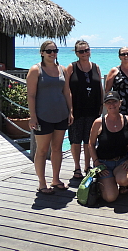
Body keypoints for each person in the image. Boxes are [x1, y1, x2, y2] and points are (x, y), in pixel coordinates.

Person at [26, 40, 73, 195]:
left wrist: (70, 111)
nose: (53, 53)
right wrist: (33, 116)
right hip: (42, 116)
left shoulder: (62, 69)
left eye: (55, 50)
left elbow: (67, 92)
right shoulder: (35, 70)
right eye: (49, 51)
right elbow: (31, 95)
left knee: (57, 148)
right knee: (42, 150)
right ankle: (42, 183)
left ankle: (56, 179)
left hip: (61, 114)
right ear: (42, 53)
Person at [66, 40, 103, 180]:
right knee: (75, 140)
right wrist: (69, 110)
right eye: (81, 51)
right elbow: (67, 90)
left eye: (86, 50)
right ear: (76, 53)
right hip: (76, 109)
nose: (84, 53)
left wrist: (101, 105)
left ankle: (88, 166)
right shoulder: (72, 67)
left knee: (89, 140)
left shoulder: (96, 67)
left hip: (93, 109)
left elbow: (99, 87)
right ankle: (77, 167)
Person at [89, 91, 128, 202]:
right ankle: (105, 183)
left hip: (121, 161)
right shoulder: (98, 122)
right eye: (108, 102)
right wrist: (96, 163)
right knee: (110, 198)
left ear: (120, 103)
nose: (111, 105)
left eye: (114, 102)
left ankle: (122, 184)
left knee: (124, 179)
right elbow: (91, 144)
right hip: (104, 164)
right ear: (105, 105)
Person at [104, 47, 128, 117]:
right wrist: (109, 107)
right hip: (119, 109)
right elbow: (107, 91)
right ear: (119, 57)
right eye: (123, 54)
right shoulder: (114, 71)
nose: (126, 56)